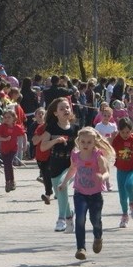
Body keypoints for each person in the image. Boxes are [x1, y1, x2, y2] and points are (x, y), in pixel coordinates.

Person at [59, 128, 113, 260]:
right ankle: (81, 248)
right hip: (80, 193)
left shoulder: (97, 156)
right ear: (79, 141)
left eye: (89, 142)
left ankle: (98, 237)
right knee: (80, 220)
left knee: (95, 220)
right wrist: (64, 182)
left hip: (95, 195)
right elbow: (73, 169)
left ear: (94, 142)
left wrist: (103, 177)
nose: (85, 145)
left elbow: (106, 172)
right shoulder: (76, 156)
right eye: (83, 142)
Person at [41, 98, 80, 232]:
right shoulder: (51, 128)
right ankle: (69, 216)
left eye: (67, 107)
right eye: (61, 109)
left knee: (62, 186)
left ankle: (61, 219)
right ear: (55, 113)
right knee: (60, 192)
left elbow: (81, 145)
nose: (65, 110)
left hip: (71, 164)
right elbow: (43, 147)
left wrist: (77, 150)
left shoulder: (75, 128)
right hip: (55, 164)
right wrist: (55, 141)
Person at [111, 117, 133, 228]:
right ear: (119, 130)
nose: (125, 134)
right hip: (121, 170)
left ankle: (132, 204)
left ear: (131, 130)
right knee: (122, 196)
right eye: (123, 132)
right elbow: (110, 149)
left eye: (128, 132)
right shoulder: (116, 139)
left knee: (129, 185)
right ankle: (125, 215)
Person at [0, 108, 26, 192]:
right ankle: (9, 181)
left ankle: (10, 182)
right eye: (5, 117)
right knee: (7, 165)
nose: (7, 119)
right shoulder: (2, 127)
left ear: (14, 118)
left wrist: (24, 145)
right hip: (4, 149)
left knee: (8, 163)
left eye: (9, 117)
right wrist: (3, 139)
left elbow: (23, 135)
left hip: (13, 149)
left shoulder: (17, 127)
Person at [31, 108, 53, 204]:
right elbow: (35, 141)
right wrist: (44, 135)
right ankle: (50, 191)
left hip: (53, 155)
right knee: (45, 175)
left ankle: (48, 193)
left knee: (49, 174)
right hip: (41, 155)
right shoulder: (40, 128)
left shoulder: (57, 127)